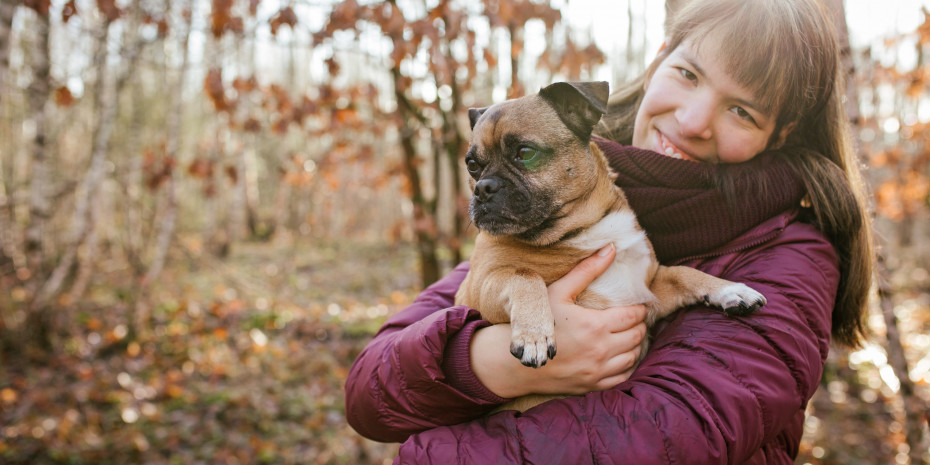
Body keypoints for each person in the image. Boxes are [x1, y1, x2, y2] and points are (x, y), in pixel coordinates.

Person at [344, 0, 874, 463]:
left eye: (741, 109)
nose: (692, 121)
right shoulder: (542, 222)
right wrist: (491, 362)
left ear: (779, 133)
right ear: (658, 57)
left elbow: (674, 436)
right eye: (689, 73)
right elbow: (371, 390)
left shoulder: (791, 256)